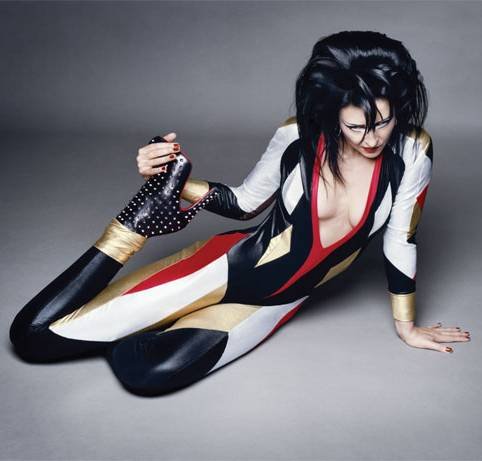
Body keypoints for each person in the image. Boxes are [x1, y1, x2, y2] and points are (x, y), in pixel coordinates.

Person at [9, 30, 470, 396]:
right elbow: (244, 203)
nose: (372, 138)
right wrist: (172, 177)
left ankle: (133, 323)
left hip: (273, 303)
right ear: (332, 115)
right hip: (224, 266)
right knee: (32, 337)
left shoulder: (414, 150)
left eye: (383, 122)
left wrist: (407, 327)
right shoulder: (297, 138)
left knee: (150, 375)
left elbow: (400, 239)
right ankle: (133, 225)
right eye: (356, 126)